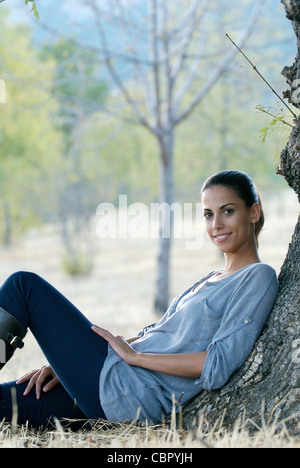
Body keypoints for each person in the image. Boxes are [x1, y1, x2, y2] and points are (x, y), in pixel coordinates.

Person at [0, 170, 279, 429]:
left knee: (23, 286)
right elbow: (158, 335)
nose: (216, 224)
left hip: (130, 392)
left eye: (227, 211)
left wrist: (137, 358)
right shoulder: (211, 277)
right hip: (109, 378)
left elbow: (216, 365)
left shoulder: (257, 277)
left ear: (253, 212)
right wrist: (69, 362)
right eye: (208, 214)